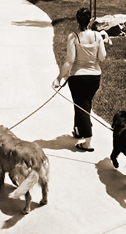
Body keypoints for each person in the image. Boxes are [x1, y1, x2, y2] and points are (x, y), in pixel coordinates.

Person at [52, 8, 107, 151]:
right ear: (90, 20)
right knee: (83, 104)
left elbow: (69, 61)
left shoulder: (73, 36)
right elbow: (102, 57)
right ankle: (78, 130)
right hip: (95, 77)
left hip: (78, 78)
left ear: (77, 20)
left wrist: (59, 78)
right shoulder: (97, 36)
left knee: (81, 107)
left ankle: (87, 142)